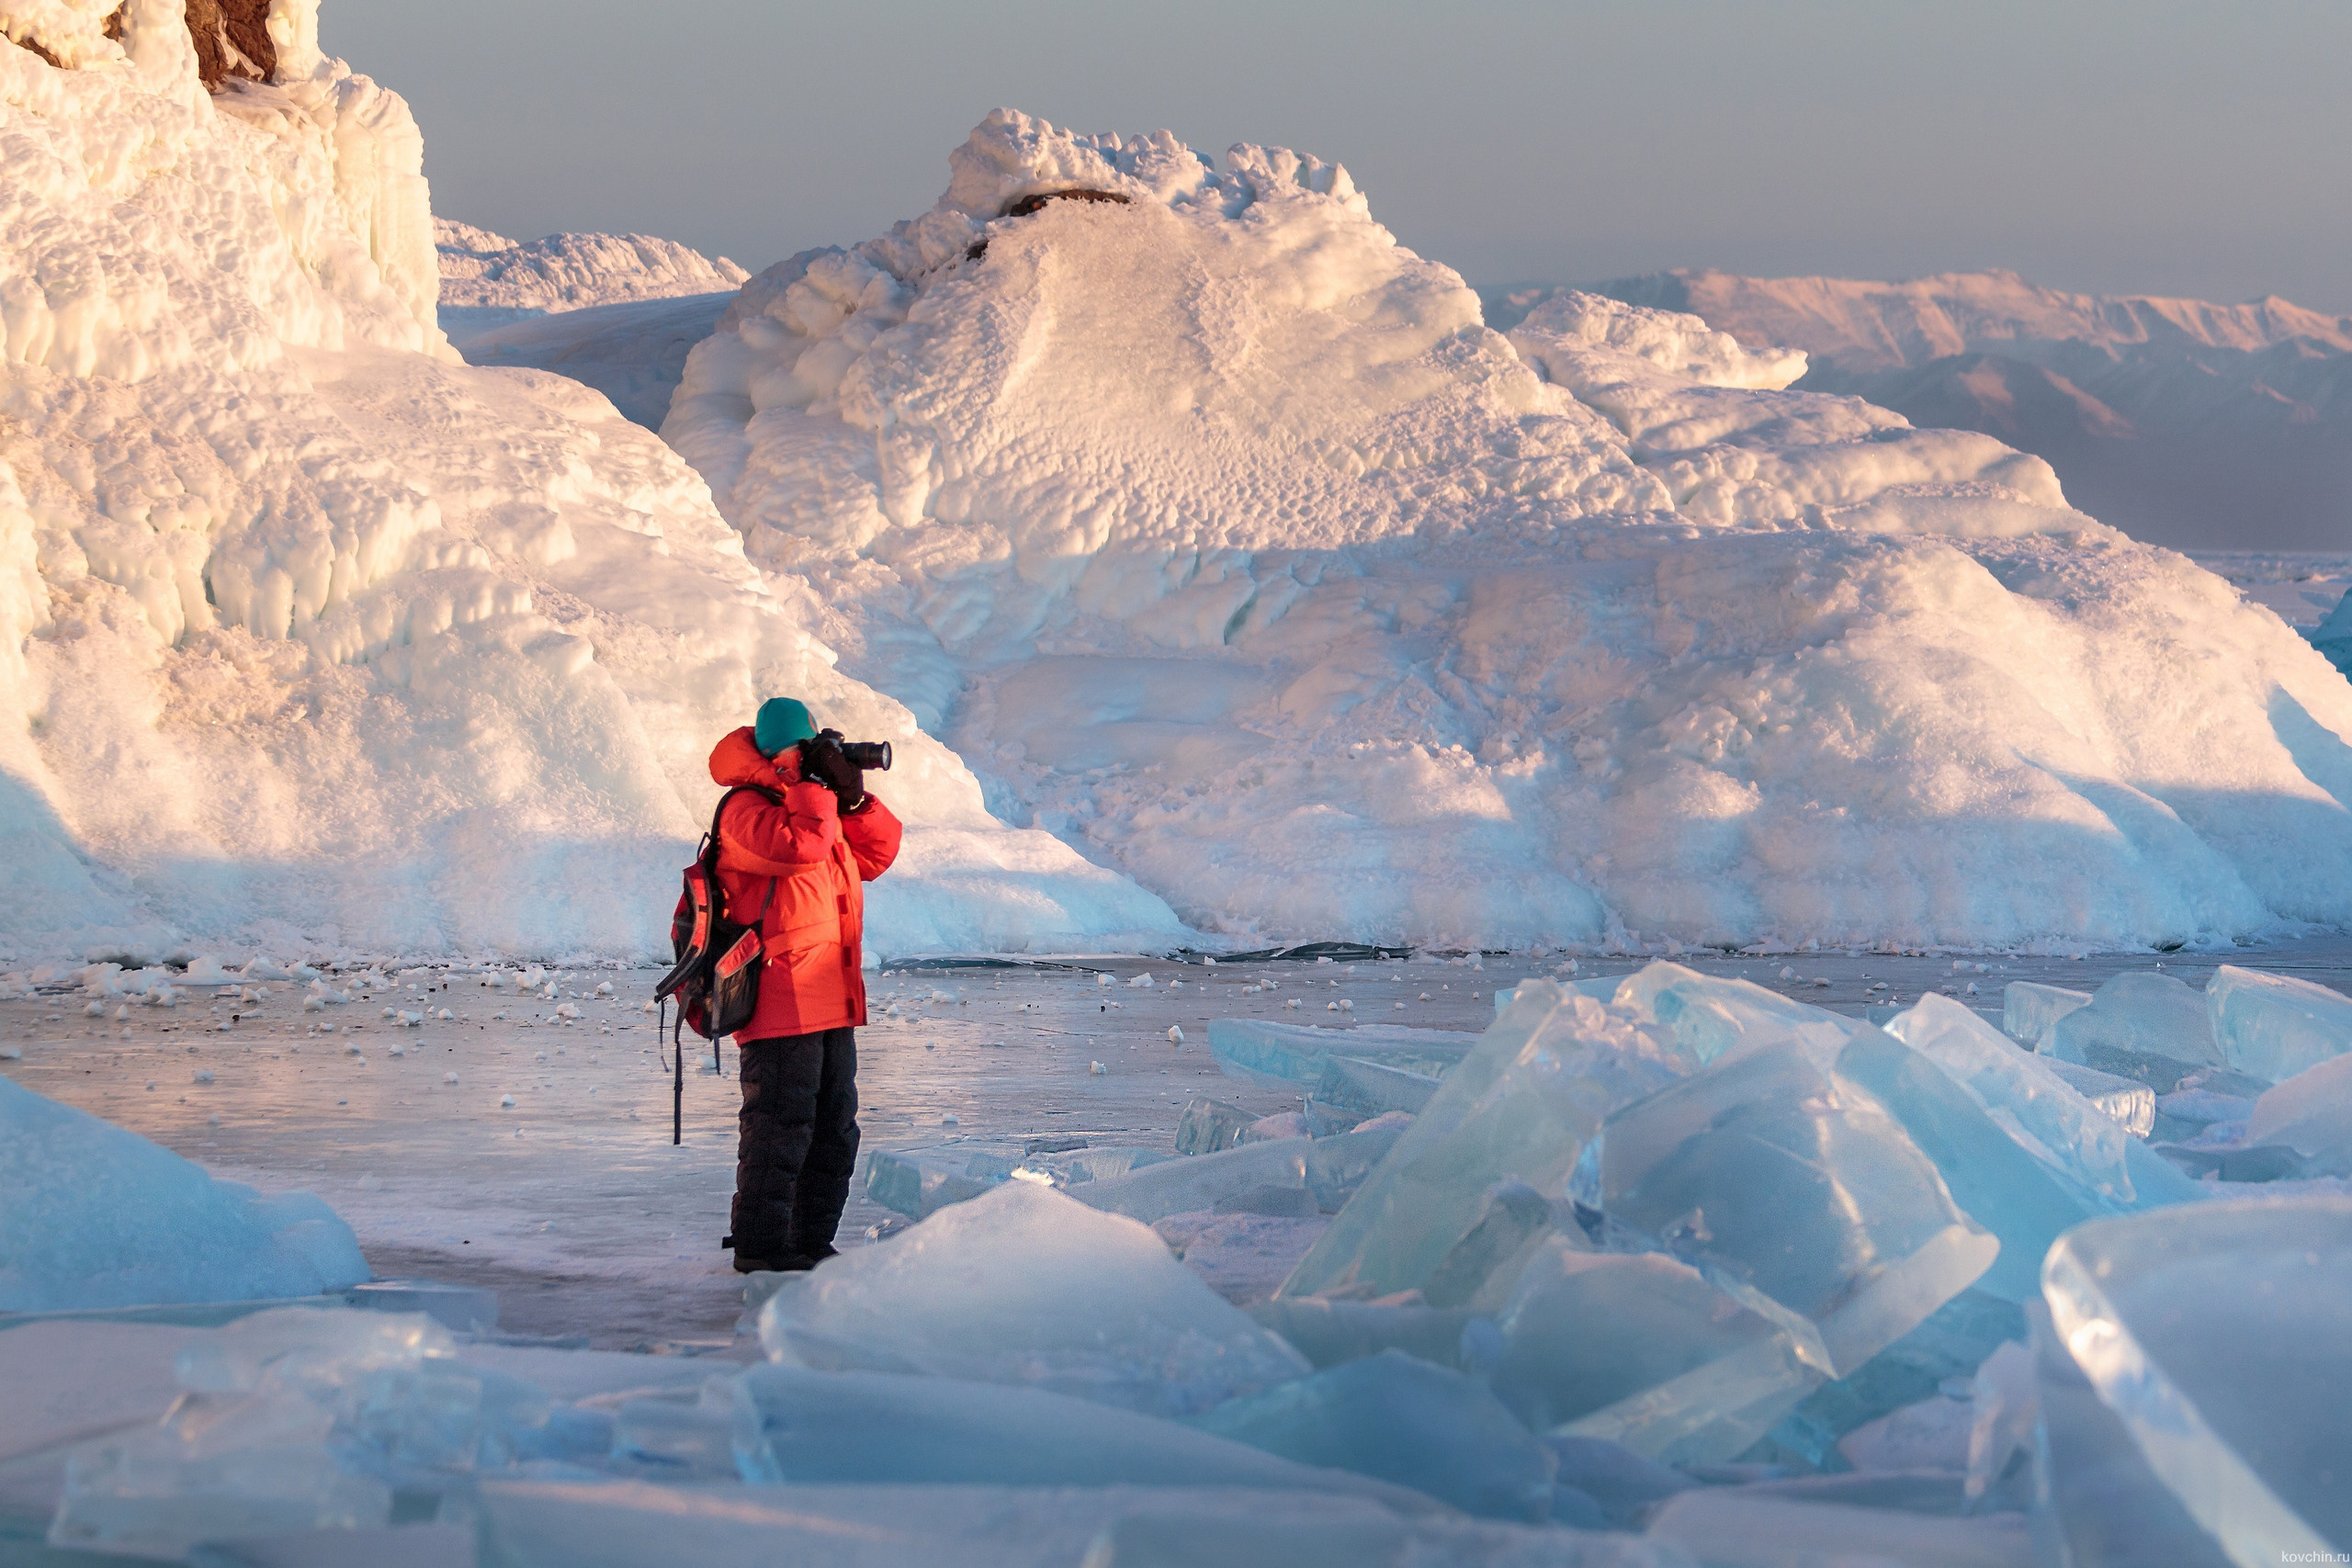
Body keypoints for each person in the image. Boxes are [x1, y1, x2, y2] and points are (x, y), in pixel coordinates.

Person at [708, 697, 901, 1272]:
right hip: (776, 997)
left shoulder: (815, 804)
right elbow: (800, 848)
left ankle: (813, 1243)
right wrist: (817, 787)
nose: (809, 757)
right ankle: (764, 1250)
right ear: (773, 753)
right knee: (780, 1127)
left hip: (831, 993)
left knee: (833, 1128)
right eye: (801, 748)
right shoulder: (745, 808)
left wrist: (855, 796)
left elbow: (876, 853)